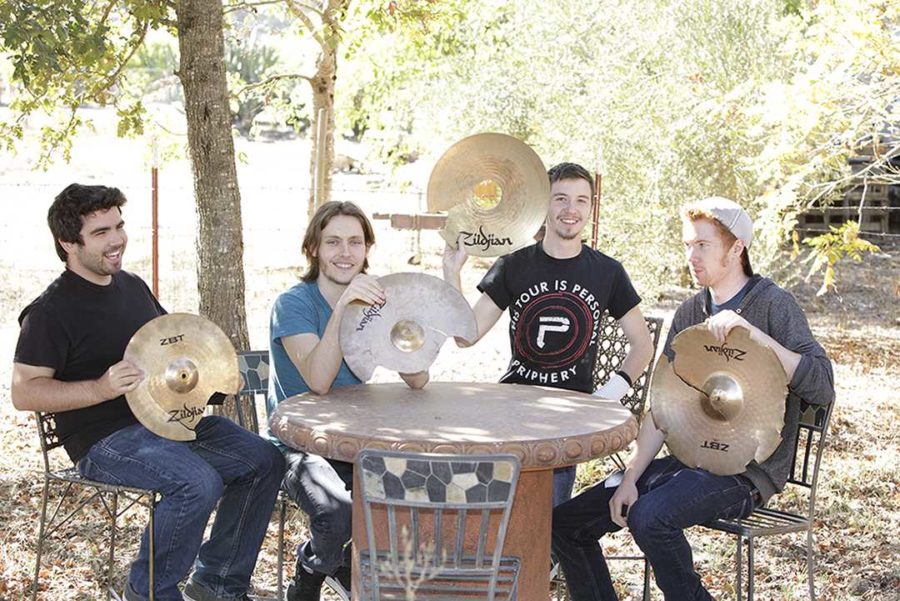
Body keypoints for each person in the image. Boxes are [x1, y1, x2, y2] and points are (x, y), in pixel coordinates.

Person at [551, 197, 835, 601]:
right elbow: (663, 407)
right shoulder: (692, 311)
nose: (691, 255)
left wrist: (754, 335)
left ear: (736, 248)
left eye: (702, 245)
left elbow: (822, 385)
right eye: (687, 244)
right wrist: (629, 478)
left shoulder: (773, 304)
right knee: (567, 523)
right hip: (688, 463)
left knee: (650, 518)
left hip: (744, 474)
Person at [11, 184, 285, 601]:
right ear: (68, 242)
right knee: (197, 483)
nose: (117, 239)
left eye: (119, 226)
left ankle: (218, 581)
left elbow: (168, 347)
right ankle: (148, 592)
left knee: (264, 458)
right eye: (101, 232)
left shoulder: (132, 286)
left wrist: (203, 373)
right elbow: (24, 393)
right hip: (105, 440)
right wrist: (99, 387)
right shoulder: (49, 312)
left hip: (167, 420)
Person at [442, 162, 654, 507]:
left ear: (591, 207)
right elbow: (465, 337)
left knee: (545, 526)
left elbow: (642, 345)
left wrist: (606, 396)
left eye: (581, 201)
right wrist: (452, 272)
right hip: (511, 410)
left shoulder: (607, 272)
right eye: (561, 199)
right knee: (491, 514)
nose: (571, 210)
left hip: (565, 419)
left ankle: (546, 559)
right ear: (543, 205)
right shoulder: (514, 264)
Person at [267, 201, 429, 601]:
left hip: (360, 441)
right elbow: (319, 381)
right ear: (314, 249)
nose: (345, 252)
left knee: (426, 491)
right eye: (333, 241)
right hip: (300, 445)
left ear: (367, 249)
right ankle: (310, 573)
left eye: (355, 242)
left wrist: (397, 326)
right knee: (338, 512)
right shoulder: (294, 304)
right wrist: (343, 309)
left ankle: (352, 568)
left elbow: (419, 378)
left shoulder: (378, 302)